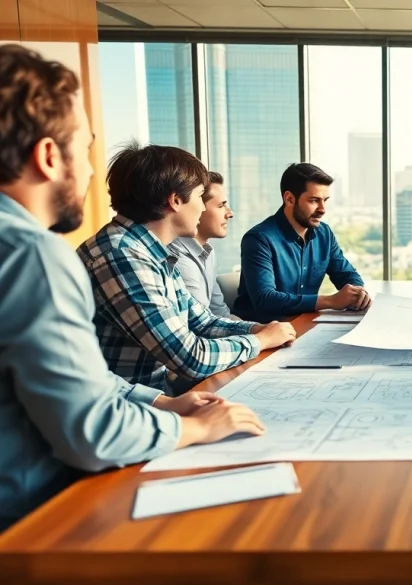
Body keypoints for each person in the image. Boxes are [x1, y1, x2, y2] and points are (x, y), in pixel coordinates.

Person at [0, 45, 266, 531]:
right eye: (84, 150)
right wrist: (192, 428)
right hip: (34, 521)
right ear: (47, 156)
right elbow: (94, 434)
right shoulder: (31, 255)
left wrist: (159, 403)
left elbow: (80, 379)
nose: (89, 174)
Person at [77, 142, 296, 396]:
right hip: (129, 409)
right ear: (176, 200)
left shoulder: (151, 250)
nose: (203, 207)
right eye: (200, 196)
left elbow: (202, 322)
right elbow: (191, 358)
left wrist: (257, 329)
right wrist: (260, 340)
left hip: (156, 398)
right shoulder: (122, 255)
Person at [233, 163, 370, 323]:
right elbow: (265, 300)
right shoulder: (259, 239)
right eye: (314, 201)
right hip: (263, 331)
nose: (323, 209)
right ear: (289, 199)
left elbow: (346, 274)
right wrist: (331, 301)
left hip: (305, 324)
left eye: (325, 200)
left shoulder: (324, 234)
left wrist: (358, 294)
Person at [167, 171, 234, 318]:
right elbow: (200, 325)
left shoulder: (208, 252)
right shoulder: (177, 258)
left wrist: (260, 331)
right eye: (221, 205)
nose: (230, 213)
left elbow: (219, 312)